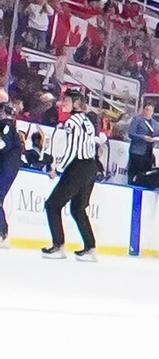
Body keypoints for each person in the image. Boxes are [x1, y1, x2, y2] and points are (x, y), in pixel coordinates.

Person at [41, 96, 102, 259]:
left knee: (52, 205)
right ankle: (90, 247)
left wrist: (58, 169)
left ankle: (58, 245)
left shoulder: (72, 122)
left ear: (75, 104)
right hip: (91, 167)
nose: (63, 104)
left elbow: (72, 149)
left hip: (78, 167)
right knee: (78, 208)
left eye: (66, 101)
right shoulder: (88, 121)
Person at [0, 105, 19, 242]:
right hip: (8, 167)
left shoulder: (6, 126)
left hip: (7, 168)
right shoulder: (10, 127)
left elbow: (3, 144)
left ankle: (2, 231)